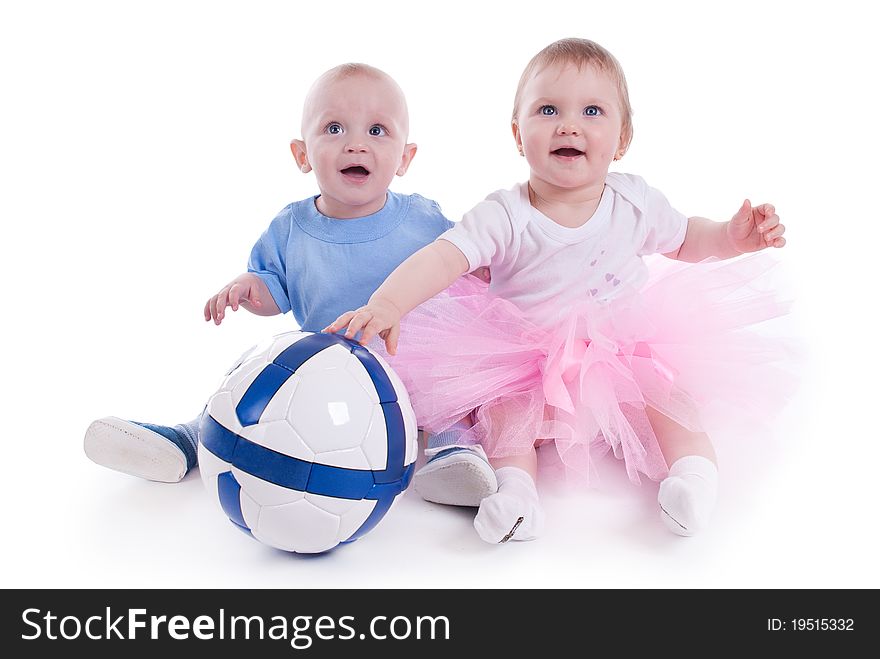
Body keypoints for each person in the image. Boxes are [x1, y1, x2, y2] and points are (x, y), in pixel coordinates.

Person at [326, 39, 795, 543]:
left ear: (621, 139)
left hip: (622, 351)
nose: (569, 125)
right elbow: (443, 257)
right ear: (517, 133)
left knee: (668, 396)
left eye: (592, 111)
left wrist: (729, 236)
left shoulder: (633, 201)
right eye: (548, 109)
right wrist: (390, 303)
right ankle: (516, 494)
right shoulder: (505, 214)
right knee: (504, 415)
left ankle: (694, 479)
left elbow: (685, 238)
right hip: (525, 361)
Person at [83, 63, 497, 507]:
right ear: (302, 155)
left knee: (451, 400)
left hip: (412, 360)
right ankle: (187, 441)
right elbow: (273, 292)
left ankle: (452, 454)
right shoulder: (291, 227)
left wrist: (486, 265)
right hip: (328, 365)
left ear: (405, 158)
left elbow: (460, 257)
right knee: (252, 374)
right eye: (334, 128)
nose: (356, 143)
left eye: (378, 130)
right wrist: (249, 289)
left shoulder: (422, 218)